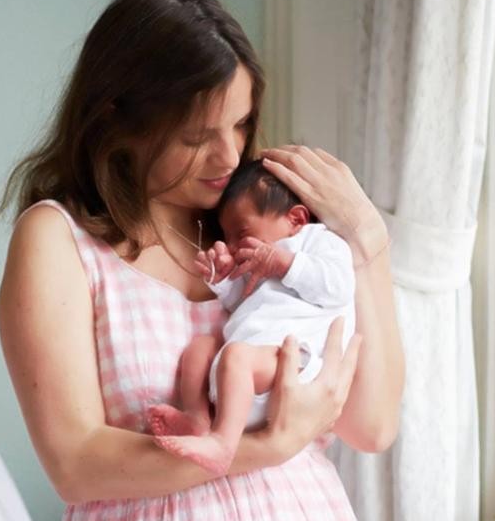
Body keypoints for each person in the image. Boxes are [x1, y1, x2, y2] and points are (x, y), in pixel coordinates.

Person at [0, 0, 425, 521]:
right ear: (117, 119)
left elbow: (372, 425)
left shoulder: (259, 223)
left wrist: (367, 243)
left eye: (242, 124)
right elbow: (75, 464)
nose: (229, 156)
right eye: (198, 136)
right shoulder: (59, 240)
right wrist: (265, 448)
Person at [147, 158, 360, 477]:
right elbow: (245, 306)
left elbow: (339, 287)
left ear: (296, 219)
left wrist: (285, 263)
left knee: (236, 355)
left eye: (241, 233)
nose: (233, 246)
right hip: (246, 369)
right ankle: (197, 419)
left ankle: (223, 444)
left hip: (292, 367)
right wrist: (222, 279)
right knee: (201, 347)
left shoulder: (318, 242)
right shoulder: (260, 265)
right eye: (228, 237)